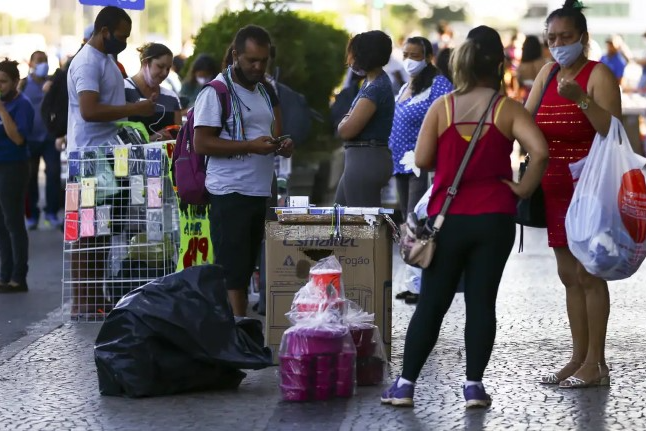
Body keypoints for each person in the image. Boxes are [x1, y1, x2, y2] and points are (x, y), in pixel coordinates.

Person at [381, 25, 548, 408]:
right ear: (499, 64)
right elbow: (539, 151)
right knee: (482, 302)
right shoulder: (507, 108)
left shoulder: (444, 107)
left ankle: (405, 386)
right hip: (495, 218)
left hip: (448, 219)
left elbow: (422, 160)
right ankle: (474, 387)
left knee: (432, 303)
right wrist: (522, 190)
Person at [527, 0, 621, 389]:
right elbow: (524, 118)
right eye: (551, 38)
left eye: (565, 37)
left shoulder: (598, 74)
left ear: (582, 38)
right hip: (554, 188)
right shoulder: (547, 73)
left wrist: (580, 100)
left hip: (590, 188)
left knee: (589, 274)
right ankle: (577, 357)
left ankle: (597, 364)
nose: (557, 44)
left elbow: (613, 131)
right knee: (568, 275)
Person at [193, 25, 293, 317]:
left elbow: (267, 132)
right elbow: (202, 142)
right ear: (236, 55)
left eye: (263, 60)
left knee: (248, 265)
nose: (258, 66)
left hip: (258, 190)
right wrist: (250, 146)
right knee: (233, 271)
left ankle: (240, 330)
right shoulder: (216, 92)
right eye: (251, 60)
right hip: (229, 191)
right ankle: (237, 331)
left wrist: (280, 144)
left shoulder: (262, 89)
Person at [66, 6, 155, 318]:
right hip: (90, 158)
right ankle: (83, 302)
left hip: (107, 156)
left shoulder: (106, 61)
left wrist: (134, 108)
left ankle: (95, 297)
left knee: (102, 231)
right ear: (103, 31)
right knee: (87, 233)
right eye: (121, 36)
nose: (125, 41)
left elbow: (107, 106)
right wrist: (135, 110)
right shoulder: (88, 63)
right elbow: (89, 110)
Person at [389, 37, 453, 304]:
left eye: (415, 55)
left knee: (419, 220)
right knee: (408, 222)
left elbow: (448, 119)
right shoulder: (408, 84)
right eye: (406, 54)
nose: (409, 60)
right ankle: (411, 280)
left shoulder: (439, 84)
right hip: (400, 164)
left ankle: (421, 282)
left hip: (422, 163)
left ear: (428, 57)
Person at [336, 30, 395, 207]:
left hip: (365, 159)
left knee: (362, 226)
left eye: (352, 53)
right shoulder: (370, 83)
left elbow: (347, 130)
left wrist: (344, 121)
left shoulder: (375, 88)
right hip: (360, 158)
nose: (349, 59)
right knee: (342, 218)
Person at [0, 59, 35, 293]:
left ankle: (18, 276)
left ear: (14, 82)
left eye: (2, 82)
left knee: (13, 221)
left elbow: (18, 138)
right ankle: (4, 274)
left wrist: (2, 110)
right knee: (1, 224)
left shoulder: (22, 104)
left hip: (14, 165)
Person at [21, 50, 62, 230]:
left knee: (53, 174)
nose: (43, 64)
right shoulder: (22, 85)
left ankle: (51, 212)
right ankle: (32, 216)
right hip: (29, 138)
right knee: (29, 177)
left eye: (45, 60)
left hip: (49, 138)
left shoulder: (52, 83)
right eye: (39, 61)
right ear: (31, 64)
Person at [124, 42, 181, 140]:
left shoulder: (171, 97)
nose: (165, 73)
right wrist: (151, 139)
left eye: (168, 69)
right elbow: (116, 135)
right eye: (160, 66)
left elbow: (180, 137)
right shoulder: (122, 89)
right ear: (145, 62)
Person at [516, 35, 548, 102]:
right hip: (543, 97)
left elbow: (518, 84)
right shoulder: (545, 64)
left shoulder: (521, 66)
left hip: (526, 98)